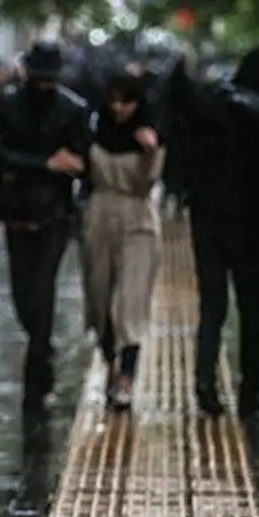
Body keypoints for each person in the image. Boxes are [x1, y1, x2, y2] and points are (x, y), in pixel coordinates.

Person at [169, 41, 259, 417]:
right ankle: (250, 391)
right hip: (250, 221)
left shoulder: (210, 101)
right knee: (251, 307)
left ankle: (204, 379)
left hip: (207, 216)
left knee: (212, 304)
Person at [0, 40, 95, 411]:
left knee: (42, 287)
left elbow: (81, 159)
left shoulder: (73, 109)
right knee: (22, 292)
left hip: (54, 212)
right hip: (17, 209)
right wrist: (45, 163)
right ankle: (42, 346)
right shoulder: (6, 104)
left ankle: (37, 370)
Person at [82, 73, 166, 411]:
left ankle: (127, 378)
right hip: (99, 216)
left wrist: (149, 152)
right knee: (100, 299)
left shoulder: (152, 131)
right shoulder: (92, 129)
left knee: (129, 303)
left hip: (138, 219)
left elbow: (148, 183)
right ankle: (110, 363)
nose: (119, 108)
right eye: (113, 100)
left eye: (126, 101)